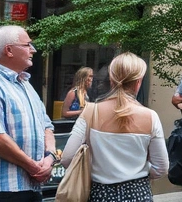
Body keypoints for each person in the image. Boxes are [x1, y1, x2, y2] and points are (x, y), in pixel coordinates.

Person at [61, 52, 169, 200]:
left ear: (111, 79)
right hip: (138, 194)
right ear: (138, 81)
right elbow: (161, 168)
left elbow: (67, 159)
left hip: (100, 194)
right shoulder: (151, 117)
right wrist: (138, 170)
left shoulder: (90, 112)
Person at [0, 26, 56, 202]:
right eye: (27, 45)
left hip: (31, 187)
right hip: (0, 189)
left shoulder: (26, 85)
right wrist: (34, 168)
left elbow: (47, 126)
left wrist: (50, 158)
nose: (33, 50)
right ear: (9, 50)